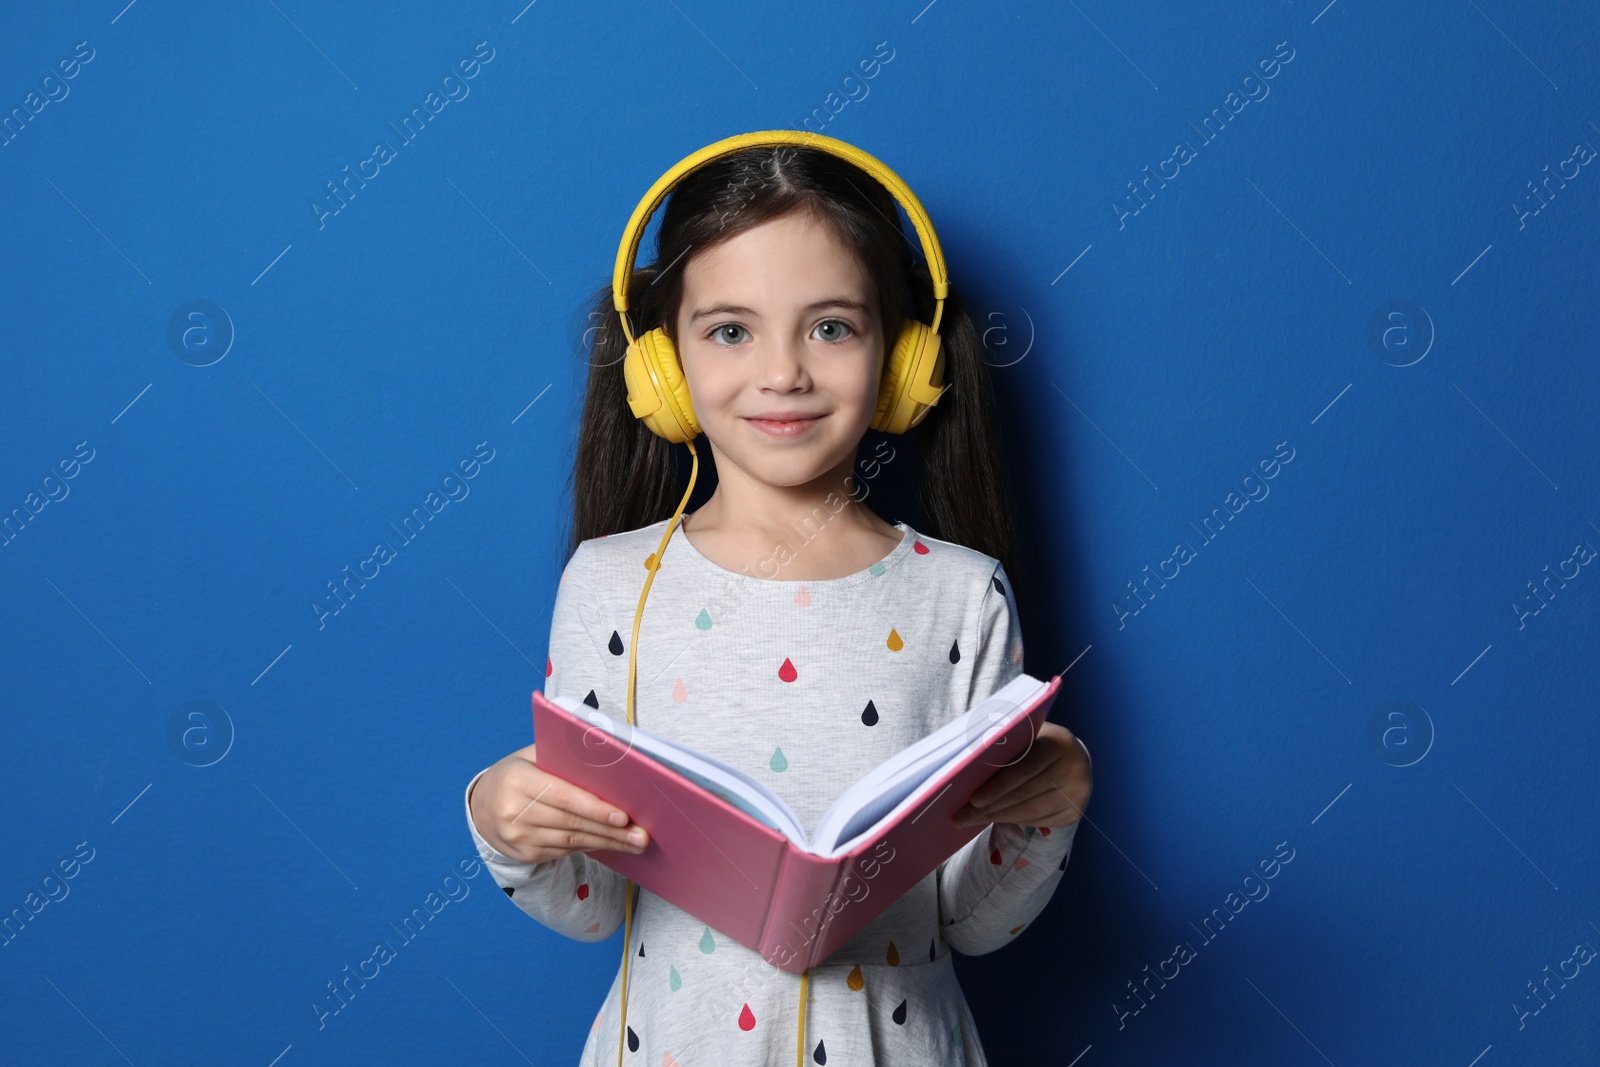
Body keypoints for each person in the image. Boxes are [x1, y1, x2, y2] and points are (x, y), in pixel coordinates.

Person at [464, 131, 1094, 1066]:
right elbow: (594, 908)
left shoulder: (961, 596)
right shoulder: (609, 584)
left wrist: (1049, 807)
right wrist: (506, 824)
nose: (783, 372)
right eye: (729, 330)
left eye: (832, 326)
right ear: (662, 369)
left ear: (904, 356)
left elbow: (972, 923)